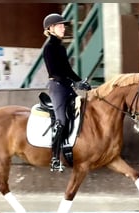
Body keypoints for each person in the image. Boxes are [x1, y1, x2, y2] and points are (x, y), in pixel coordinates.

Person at [42, 13, 90, 171]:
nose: (64, 28)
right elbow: (55, 72)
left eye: (63, 25)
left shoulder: (61, 48)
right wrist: (73, 83)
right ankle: (55, 158)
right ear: (51, 29)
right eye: (60, 25)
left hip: (67, 86)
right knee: (61, 119)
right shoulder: (49, 48)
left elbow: (67, 69)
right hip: (57, 87)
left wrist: (81, 81)